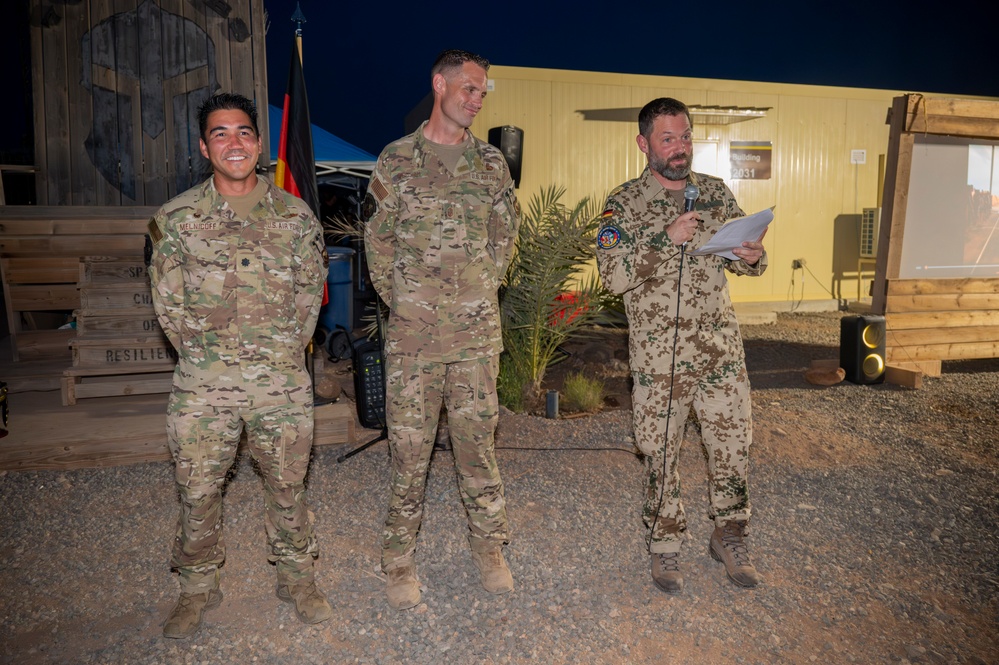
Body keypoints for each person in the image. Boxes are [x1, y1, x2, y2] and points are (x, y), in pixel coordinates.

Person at [148, 92, 332, 638]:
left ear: (259, 145)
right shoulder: (177, 218)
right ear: (205, 146)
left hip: (280, 381)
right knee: (198, 489)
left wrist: (278, 353)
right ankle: (196, 587)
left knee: (288, 485)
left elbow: (308, 294)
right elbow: (168, 303)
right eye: (221, 133)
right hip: (205, 383)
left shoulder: (295, 217)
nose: (235, 143)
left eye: (245, 132)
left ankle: (297, 579)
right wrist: (210, 358)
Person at [363, 49, 521, 610]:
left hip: (476, 341)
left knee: (478, 450)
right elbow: (377, 242)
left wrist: (480, 289)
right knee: (409, 456)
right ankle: (399, 562)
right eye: (469, 89)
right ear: (439, 84)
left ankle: (489, 550)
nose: (477, 100)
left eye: (483, 93)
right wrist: (408, 300)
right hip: (413, 343)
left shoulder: (492, 165)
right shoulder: (396, 160)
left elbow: (506, 236)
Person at [595, 97, 768, 594]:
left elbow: (746, 260)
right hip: (659, 358)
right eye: (667, 138)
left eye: (686, 136)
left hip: (720, 351)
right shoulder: (622, 203)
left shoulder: (714, 192)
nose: (679, 147)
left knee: (733, 446)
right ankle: (666, 544)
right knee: (661, 453)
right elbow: (613, 276)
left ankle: (730, 533)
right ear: (644, 143)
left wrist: (752, 254)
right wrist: (665, 239)